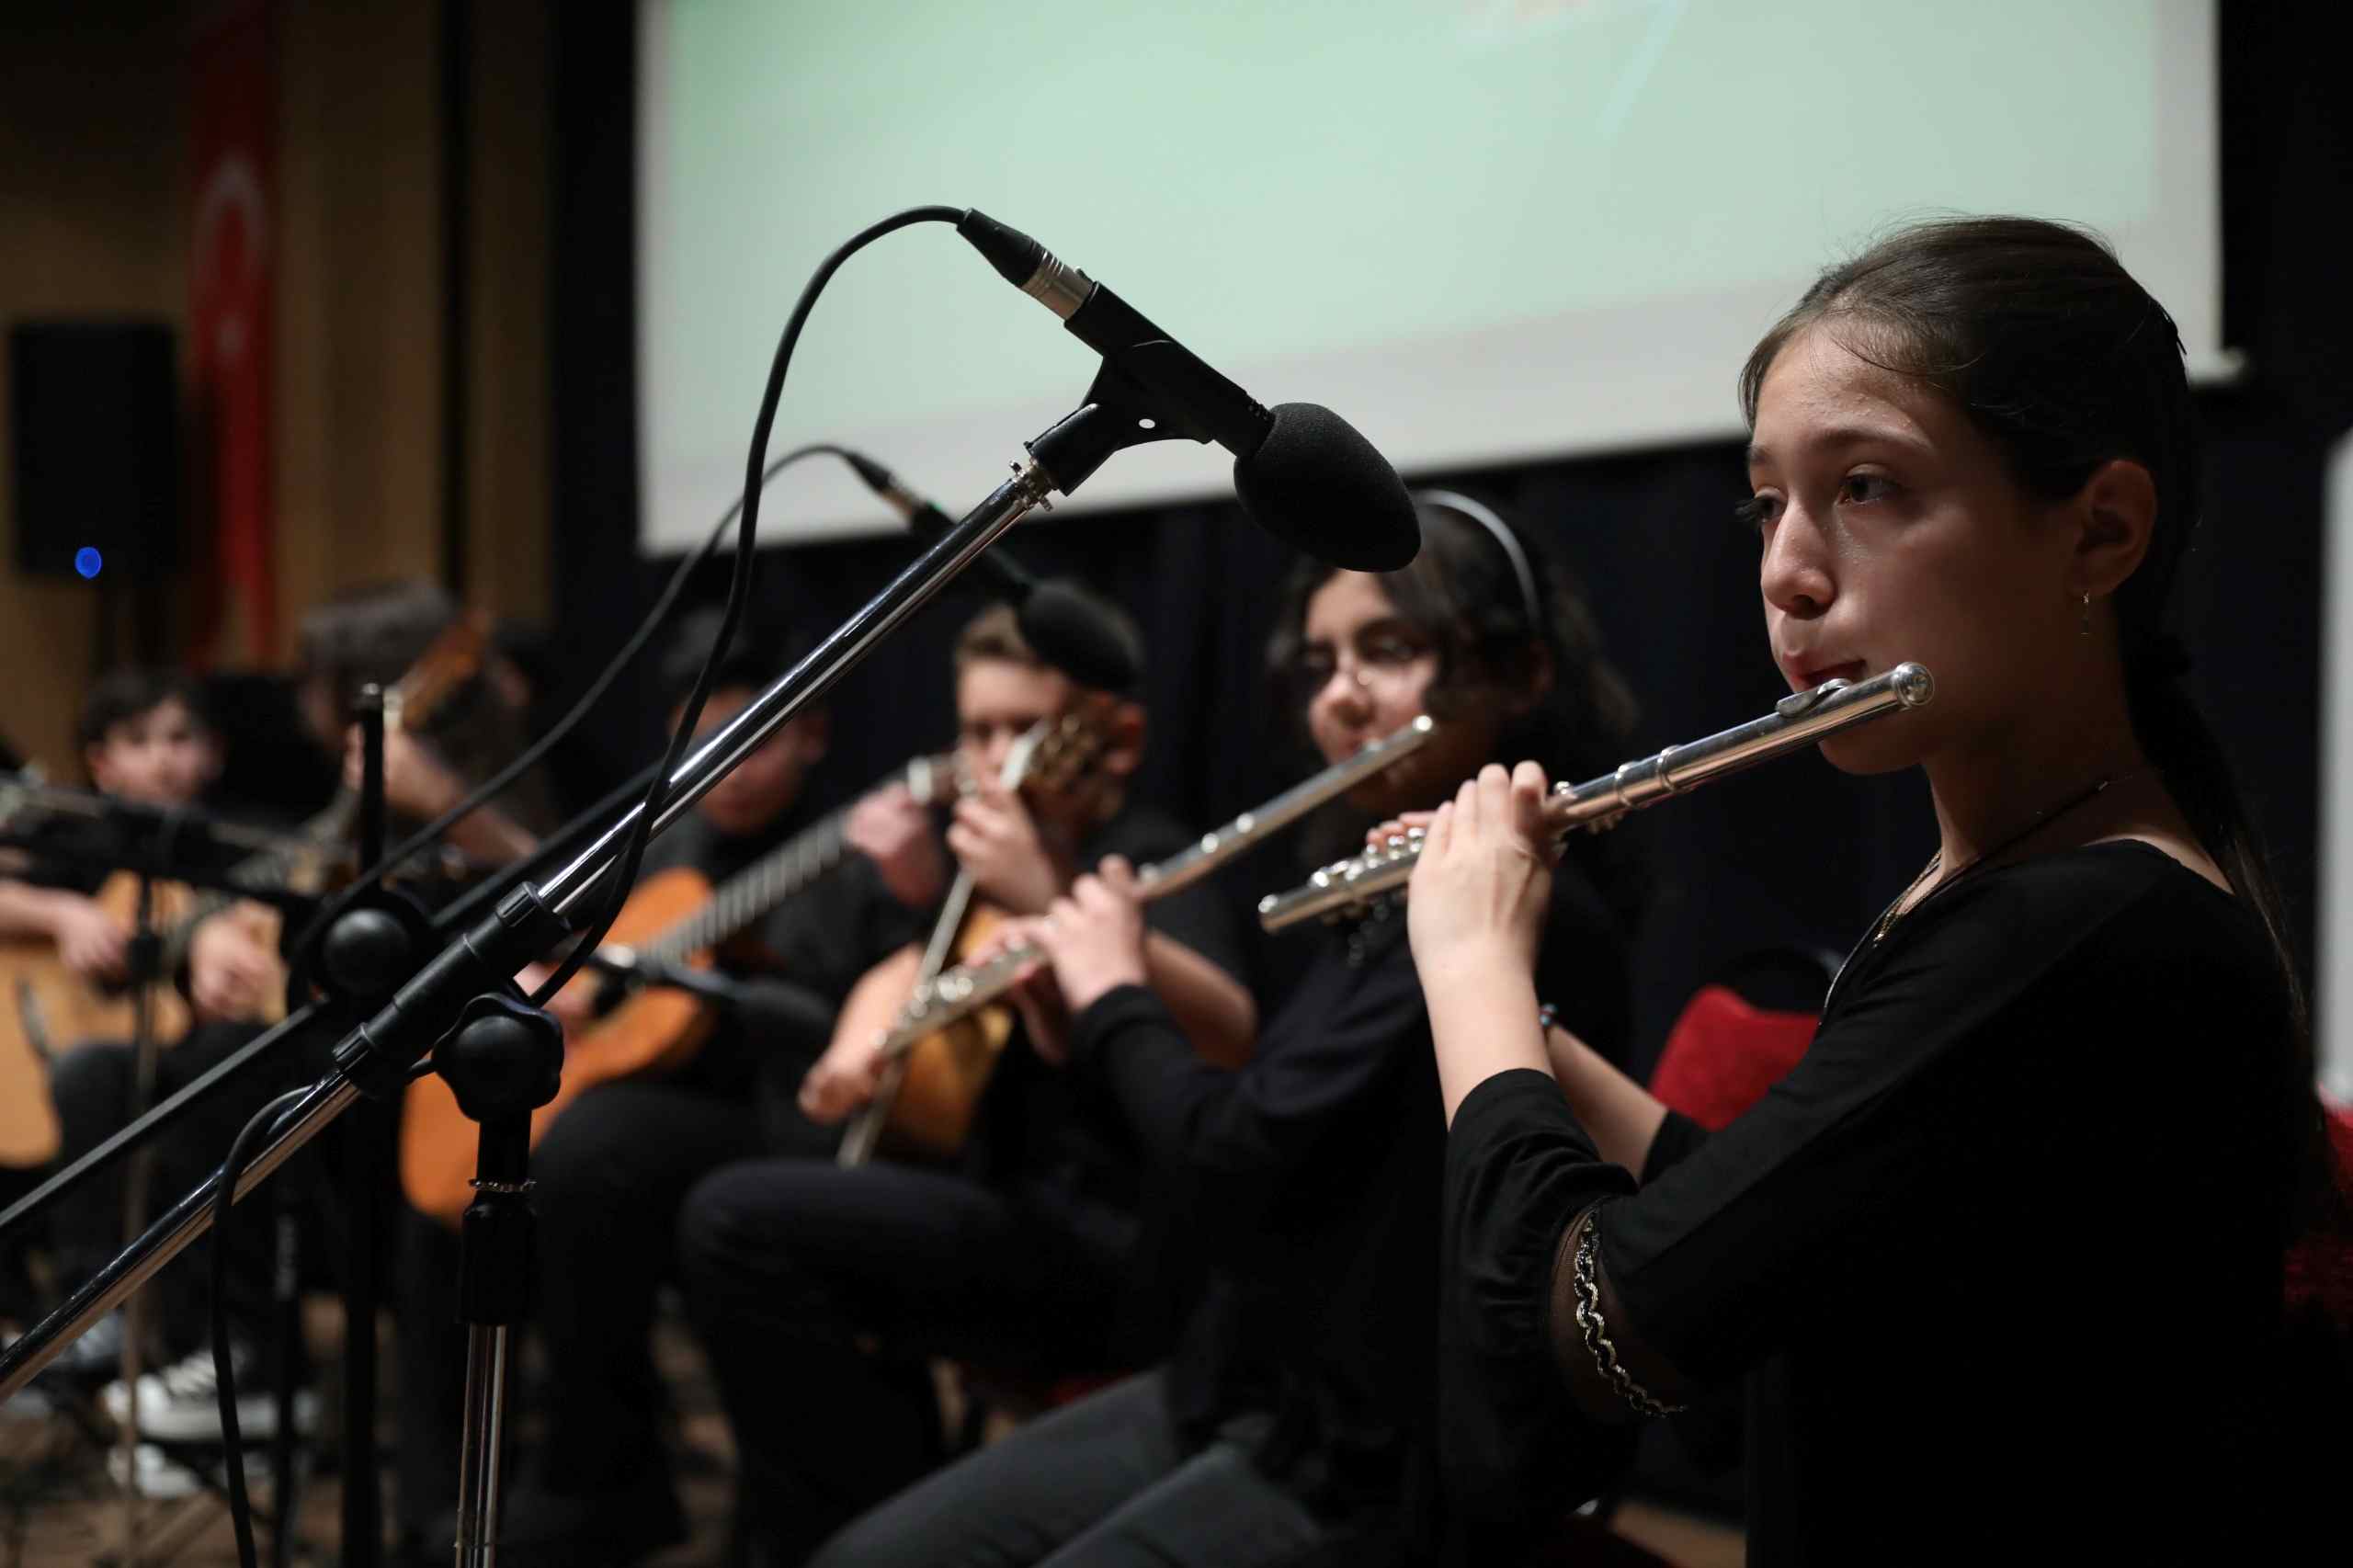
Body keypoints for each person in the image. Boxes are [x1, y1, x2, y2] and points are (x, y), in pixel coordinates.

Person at [1412, 218, 2346, 1561]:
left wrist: (1472, 972)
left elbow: (1585, 1333)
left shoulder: (2083, 929)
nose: (1787, 571)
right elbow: (1769, 1230)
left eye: (1865, 486)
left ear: (2100, 531)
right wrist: (1520, 1016)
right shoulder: (2011, 889)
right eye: (1767, 501)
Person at [802, 495, 1641, 1568]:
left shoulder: (1521, 910)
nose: (1341, 695)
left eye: (1386, 650)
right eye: (1322, 659)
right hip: (1247, 1386)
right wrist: (1076, 1025)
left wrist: (1114, 991)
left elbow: (1231, 1155)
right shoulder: (1393, 888)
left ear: (1521, 674)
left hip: (1372, 1461)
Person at [675, 598, 1259, 1568]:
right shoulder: (976, 877)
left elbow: (1234, 1028)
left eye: (1024, 728)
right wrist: (853, 1048)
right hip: (996, 1204)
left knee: (738, 1218)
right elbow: (901, 970)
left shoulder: (1143, 854)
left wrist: (1052, 893)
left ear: (1108, 742)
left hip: (1109, 1244)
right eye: (978, 730)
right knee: (762, 1196)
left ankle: (878, 1520)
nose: (998, 757)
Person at [468, 608, 943, 1564]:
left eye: (755, 739)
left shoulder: (861, 846)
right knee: (502, 1149)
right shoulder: (666, 849)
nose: (729, 767)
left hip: (798, 1117)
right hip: (681, 1103)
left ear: (810, 733)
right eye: (708, 739)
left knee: (599, 1150)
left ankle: (616, 1477)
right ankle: (538, 1472)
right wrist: (551, 978)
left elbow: (896, 1010)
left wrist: (759, 984)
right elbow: (583, 955)